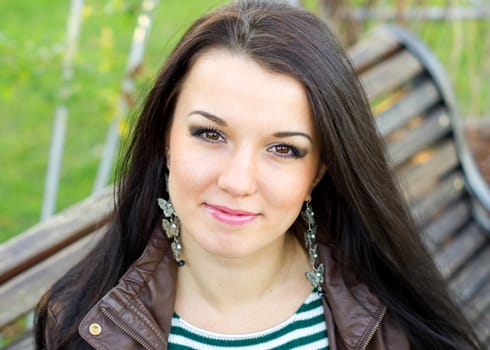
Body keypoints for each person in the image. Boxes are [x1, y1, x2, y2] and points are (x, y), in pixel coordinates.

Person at [35, 0, 481, 349]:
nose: (238, 181)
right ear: (165, 138)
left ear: (321, 168)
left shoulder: (391, 324)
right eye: (210, 134)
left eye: (283, 149)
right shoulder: (80, 326)